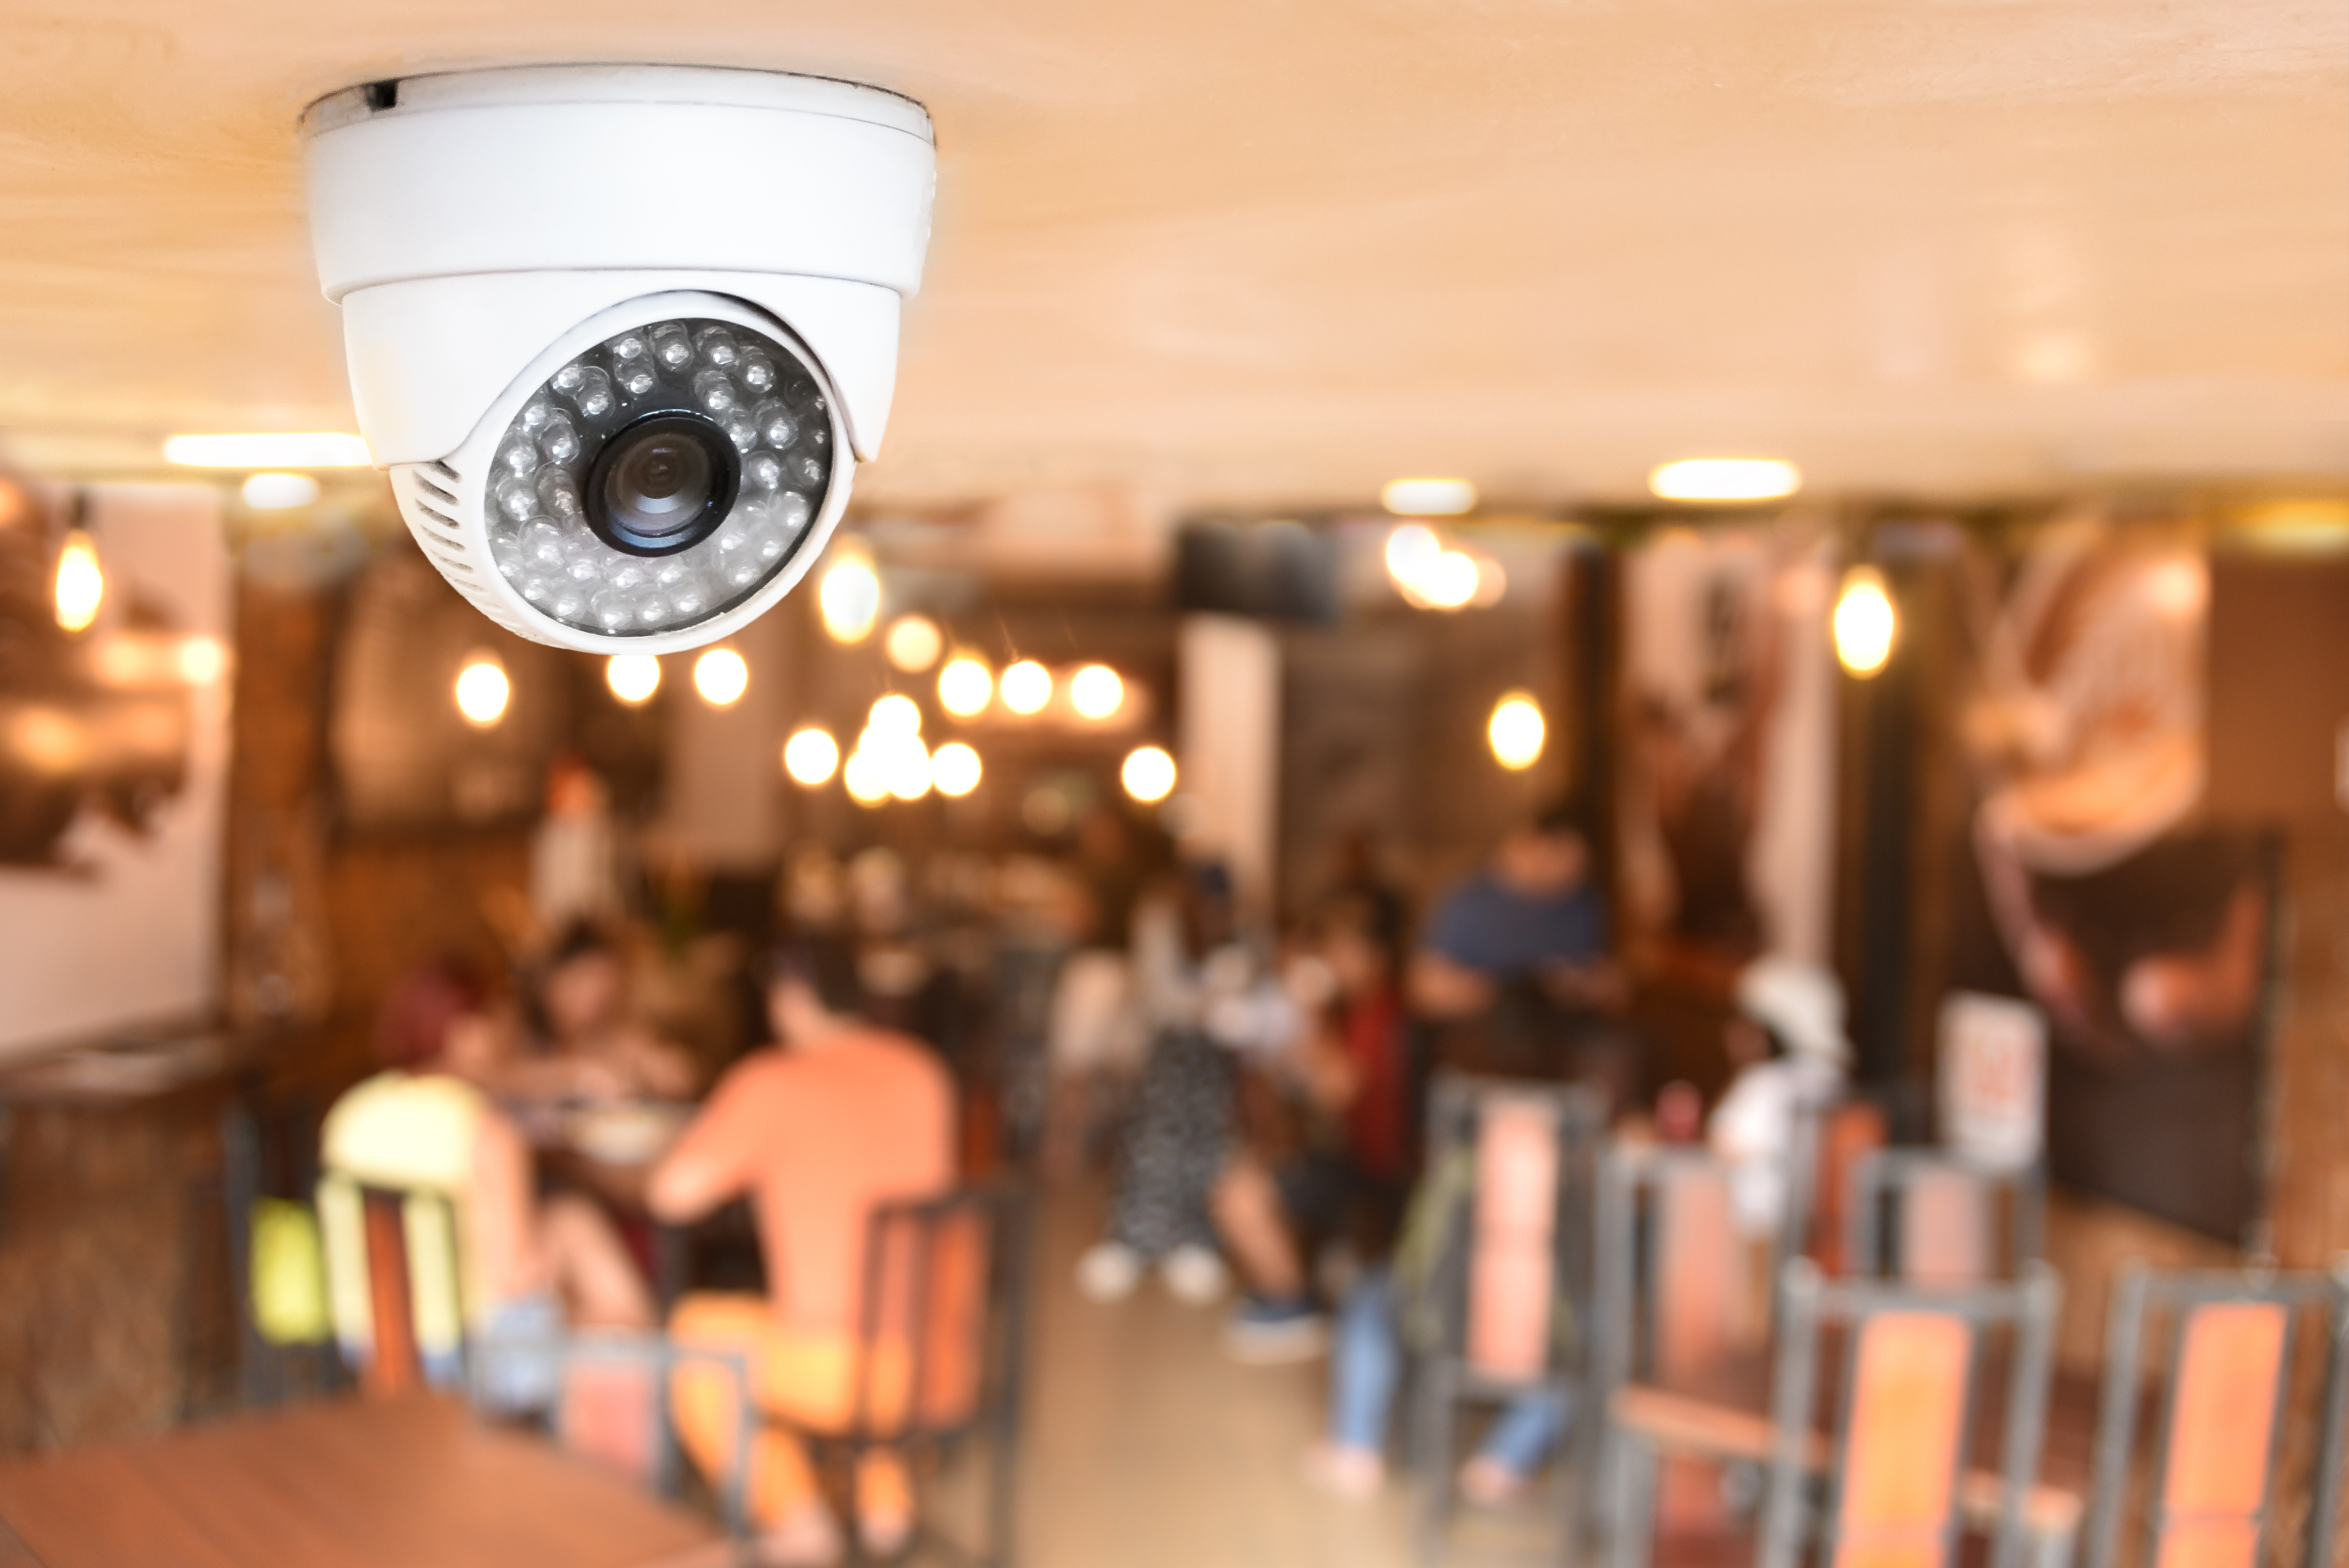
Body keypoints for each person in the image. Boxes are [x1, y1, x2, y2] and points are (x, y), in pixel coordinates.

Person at [649, 943, 956, 1566]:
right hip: (938, 1362)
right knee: (866, 1306)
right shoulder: (925, 1071)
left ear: (790, 999)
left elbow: (669, 1196)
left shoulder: (772, 1081)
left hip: (839, 1373)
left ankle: (797, 1522)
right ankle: (884, 1507)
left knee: (697, 1333)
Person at [319, 960, 655, 1406]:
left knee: (570, 1223)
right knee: (615, 1309)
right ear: (464, 1031)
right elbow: (515, 1281)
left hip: (366, 1345)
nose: (506, 1034)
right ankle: (621, 1450)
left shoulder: (352, 1113)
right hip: (468, 1361)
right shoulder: (489, 1133)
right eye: (496, 1019)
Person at [1215, 893, 1414, 1361]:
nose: (1332, 961)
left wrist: (1310, 1014)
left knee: (1238, 1192)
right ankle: (1288, 1289)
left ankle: (1293, 1304)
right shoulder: (1356, 1010)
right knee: (1250, 1164)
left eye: (1343, 950)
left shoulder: (1380, 1013)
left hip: (1376, 1165)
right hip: (1347, 1152)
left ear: (1375, 956)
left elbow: (1335, 1090)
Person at [1411, 805, 1630, 1099]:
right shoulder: (1468, 902)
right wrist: (1510, 988)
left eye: (1578, 869)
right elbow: (1424, 991)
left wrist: (1581, 987)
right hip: (1488, 1052)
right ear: (1533, 842)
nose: (1568, 877)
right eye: (1561, 860)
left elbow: (1613, 987)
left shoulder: (1583, 905)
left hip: (1564, 1051)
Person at [1707, 955, 1850, 1240]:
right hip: (1821, 1237)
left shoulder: (1764, 1086)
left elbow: (1721, 1149)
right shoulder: (1835, 1083)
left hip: (1758, 1240)